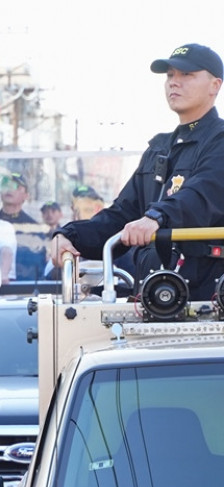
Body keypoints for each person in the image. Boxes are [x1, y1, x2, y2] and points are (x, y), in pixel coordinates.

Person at [50, 44, 224, 299]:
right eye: (170, 75)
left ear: (215, 85)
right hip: (153, 299)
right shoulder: (159, 149)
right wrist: (69, 235)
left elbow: (203, 194)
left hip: (208, 301)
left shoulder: (219, 141)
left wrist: (157, 217)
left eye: (187, 75)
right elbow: (122, 215)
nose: (174, 83)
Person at [0, 173, 48, 282]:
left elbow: (38, 268)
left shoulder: (33, 228)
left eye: (16, 187)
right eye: (6, 185)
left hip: (23, 290)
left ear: (26, 195)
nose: (9, 189)